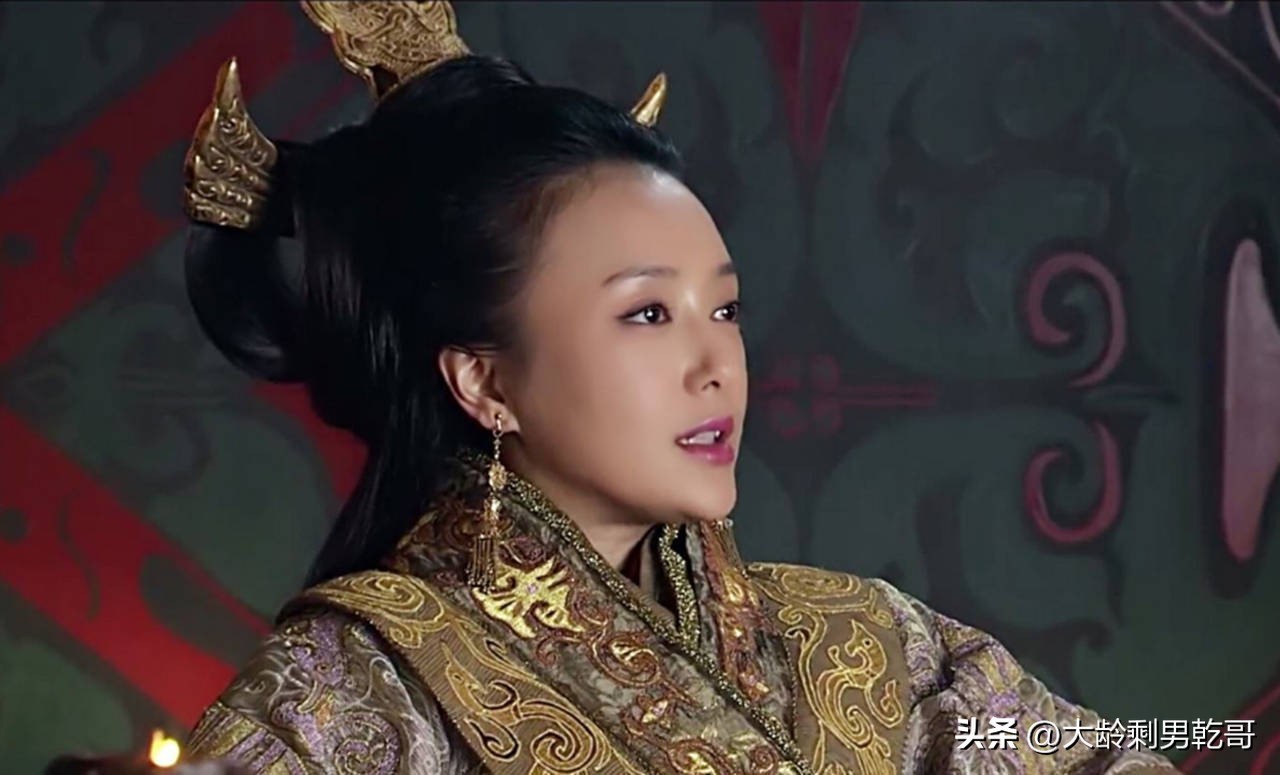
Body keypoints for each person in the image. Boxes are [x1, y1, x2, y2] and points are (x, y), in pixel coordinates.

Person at [178, 2, 1178, 773]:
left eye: (725, 308)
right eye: (648, 313)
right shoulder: (351, 691)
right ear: (483, 379)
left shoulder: (869, 644)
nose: (717, 364)